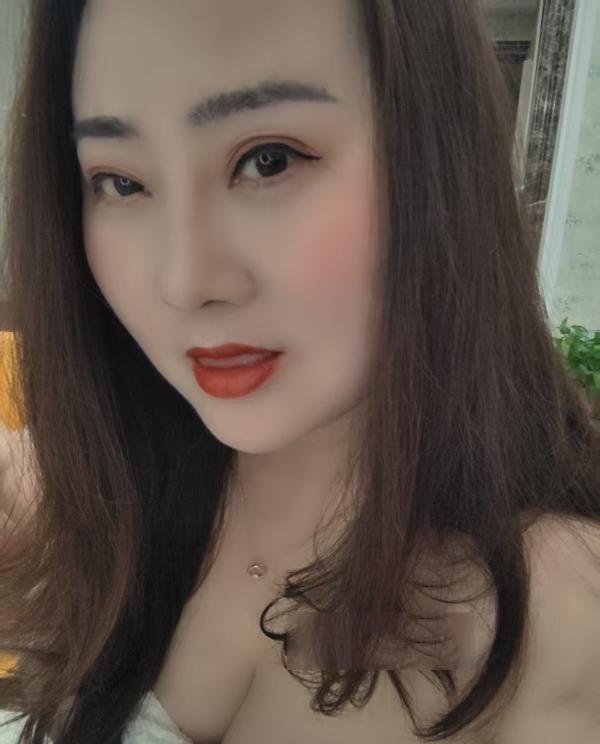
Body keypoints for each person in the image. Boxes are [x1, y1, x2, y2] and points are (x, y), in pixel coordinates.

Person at [0, 0, 599, 742]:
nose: (185, 281)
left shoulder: (556, 620)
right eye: (121, 182)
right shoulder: (106, 499)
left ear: (436, 163)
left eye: (269, 160)